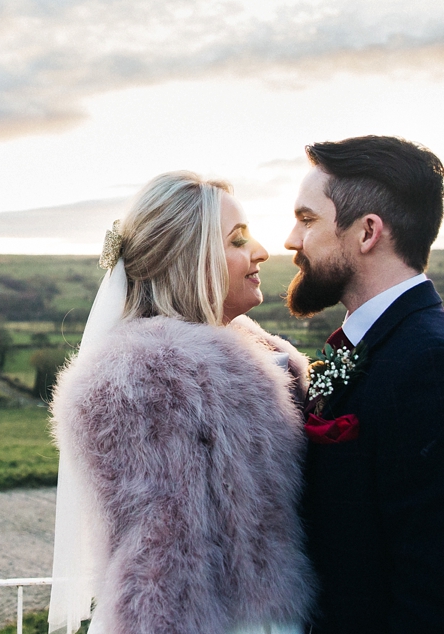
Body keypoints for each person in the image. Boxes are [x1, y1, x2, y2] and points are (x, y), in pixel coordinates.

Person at [48, 171, 315, 634]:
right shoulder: (145, 382)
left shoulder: (253, 355)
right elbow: (161, 570)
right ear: (190, 258)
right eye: (237, 240)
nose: (261, 251)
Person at [286, 135, 444, 633]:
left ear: (367, 232)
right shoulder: (383, 350)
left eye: (307, 219)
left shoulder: (440, 372)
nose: (291, 240)